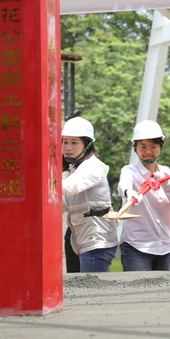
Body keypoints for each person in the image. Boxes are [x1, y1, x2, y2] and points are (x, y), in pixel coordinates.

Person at [117, 120, 170, 271]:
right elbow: (123, 186)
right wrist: (130, 193)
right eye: (143, 147)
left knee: (166, 291)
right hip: (136, 246)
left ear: (160, 147)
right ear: (135, 148)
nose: (148, 151)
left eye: (153, 147)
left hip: (164, 246)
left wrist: (166, 183)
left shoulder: (165, 172)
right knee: (139, 292)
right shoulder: (129, 171)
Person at [62, 117, 118, 273]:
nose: (68, 147)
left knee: (93, 295)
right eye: (65, 142)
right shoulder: (74, 169)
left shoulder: (91, 167)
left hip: (97, 243)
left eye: (74, 142)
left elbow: (67, 187)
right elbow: (61, 204)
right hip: (85, 241)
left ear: (87, 145)